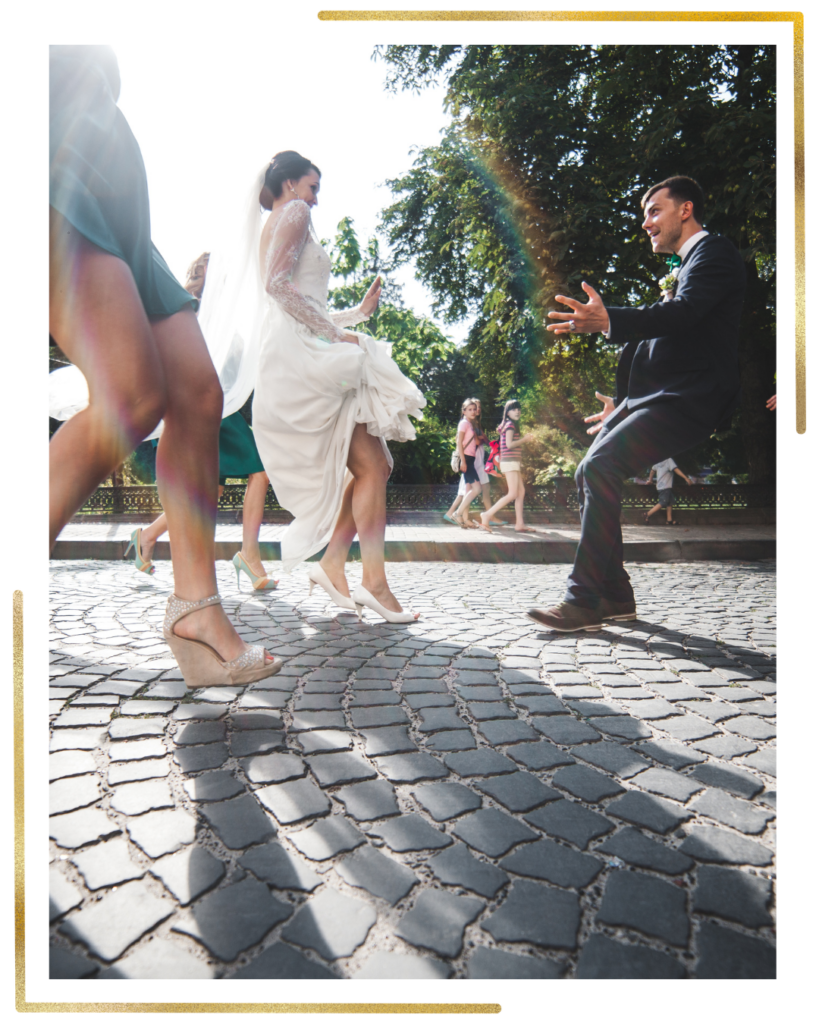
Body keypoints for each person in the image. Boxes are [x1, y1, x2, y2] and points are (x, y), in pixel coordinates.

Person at [49, 46, 281, 687]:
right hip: (45, 162)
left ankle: (195, 610)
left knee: (200, 396)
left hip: (119, 200)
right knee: (130, 394)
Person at [203, 151, 425, 622]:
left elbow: (296, 300)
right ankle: (372, 582)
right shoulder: (295, 212)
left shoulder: (281, 220)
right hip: (303, 356)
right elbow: (278, 288)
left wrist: (355, 317)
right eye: (312, 187)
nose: (315, 199)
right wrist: (336, 334)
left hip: (297, 348)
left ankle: (335, 566)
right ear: (288, 185)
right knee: (374, 464)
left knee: (374, 464)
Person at [527, 175, 745, 631]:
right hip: (660, 396)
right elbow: (668, 344)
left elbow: (681, 317)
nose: (645, 223)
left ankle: (583, 599)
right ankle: (617, 595)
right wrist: (623, 407)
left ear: (685, 210)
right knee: (590, 469)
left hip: (691, 397)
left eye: (653, 211)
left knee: (600, 467)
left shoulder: (714, 253)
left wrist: (611, 320)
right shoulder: (688, 265)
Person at [129, 253, 278, 592]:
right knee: (260, 471)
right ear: (202, 276)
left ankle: (147, 536)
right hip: (207, 410)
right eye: (215, 275)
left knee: (210, 492)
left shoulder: (221, 318)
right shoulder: (189, 311)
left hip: (220, 409)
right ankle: (249, 557)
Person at [443, 399, 504, 527]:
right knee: (476, 488)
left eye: (474, 409)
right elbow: (459, 442)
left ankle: (459, 515)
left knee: (474, 489)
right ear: (464, 411)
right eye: (469, 410)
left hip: (470, 459)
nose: (473, 412)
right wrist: (463, 462)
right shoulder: (464, 423)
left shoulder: (470, 424)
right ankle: (457, 514)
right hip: (467, 460)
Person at [478, 400, 535, 532]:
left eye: (518, 409)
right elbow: (509, 444)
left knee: (520, 493)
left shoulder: (509, 424)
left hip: (513, 461)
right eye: (513, 409)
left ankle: (519, 524)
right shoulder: (510, 425)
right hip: (510, 461)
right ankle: (486, 515)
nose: (517, 411)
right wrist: (525, 440)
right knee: (513, 493)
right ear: (507, 412)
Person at [644, 457, 693, 525]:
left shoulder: (657, 461)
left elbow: (652, 471)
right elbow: (676, 469)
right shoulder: (668, 460)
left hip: (661, 486)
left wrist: (650, 480)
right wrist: (686, 478)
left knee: (670, 502)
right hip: (665, 487)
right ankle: (648, 514)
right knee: (663, 502)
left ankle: (669, 520)